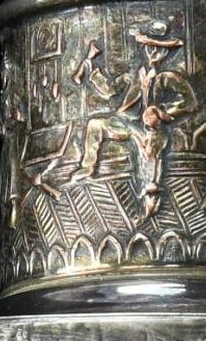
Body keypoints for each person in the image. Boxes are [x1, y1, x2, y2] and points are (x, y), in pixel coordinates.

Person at [70, 19, 198, 218]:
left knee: (150, 146)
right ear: (144, 48)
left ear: (165, 53)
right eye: (150, 47)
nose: (153, 52)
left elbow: (190, 101)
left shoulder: (167, 77)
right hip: (125, 121)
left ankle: (151, 194)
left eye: (159, 49)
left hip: (149, 128)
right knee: (95, 124)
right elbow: (110, 89)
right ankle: (87, 168)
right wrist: (93, 71)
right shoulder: (134, 75)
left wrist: (162, 112)